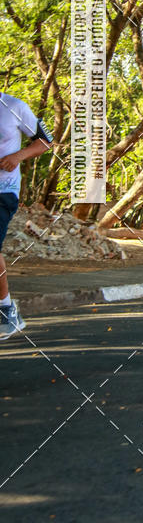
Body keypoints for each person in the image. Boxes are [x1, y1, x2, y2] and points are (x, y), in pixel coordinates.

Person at [0, 93, 53, 339]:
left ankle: (6, 310)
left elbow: (45, 142)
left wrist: (17, 156)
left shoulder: (14, 106)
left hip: (3, 191)